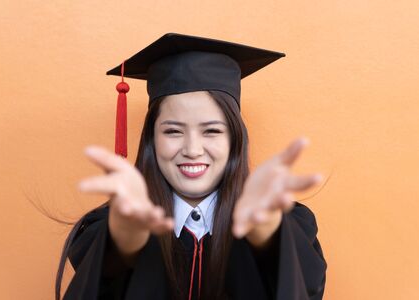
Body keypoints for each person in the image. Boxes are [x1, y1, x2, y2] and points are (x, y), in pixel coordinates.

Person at [56, 33, 327, 300]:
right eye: (173, 131)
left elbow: (306, 285)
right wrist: (127, 240)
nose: (192, 150)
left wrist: (268, 233)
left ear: (235, 139)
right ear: (152, 139)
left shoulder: (289, 224)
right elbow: (103, 282)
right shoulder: (109, 228)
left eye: (211, 131)